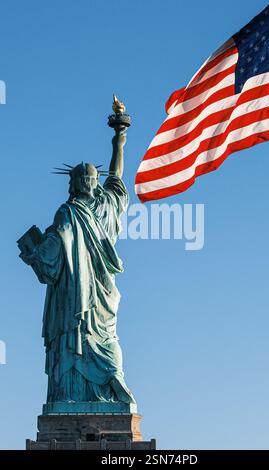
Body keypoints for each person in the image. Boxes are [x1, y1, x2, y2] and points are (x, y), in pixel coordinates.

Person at [20, 129, 135, 405]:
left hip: (74, 297)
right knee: (104, 338)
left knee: (74, 338)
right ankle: (108, 385)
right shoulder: (106, 208)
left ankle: (71, 395)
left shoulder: (67, 212)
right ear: (96, 184)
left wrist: (33, 252)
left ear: (72, 185)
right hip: (100, 295)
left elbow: (51, 256)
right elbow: (117, 178)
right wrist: (120, 137)